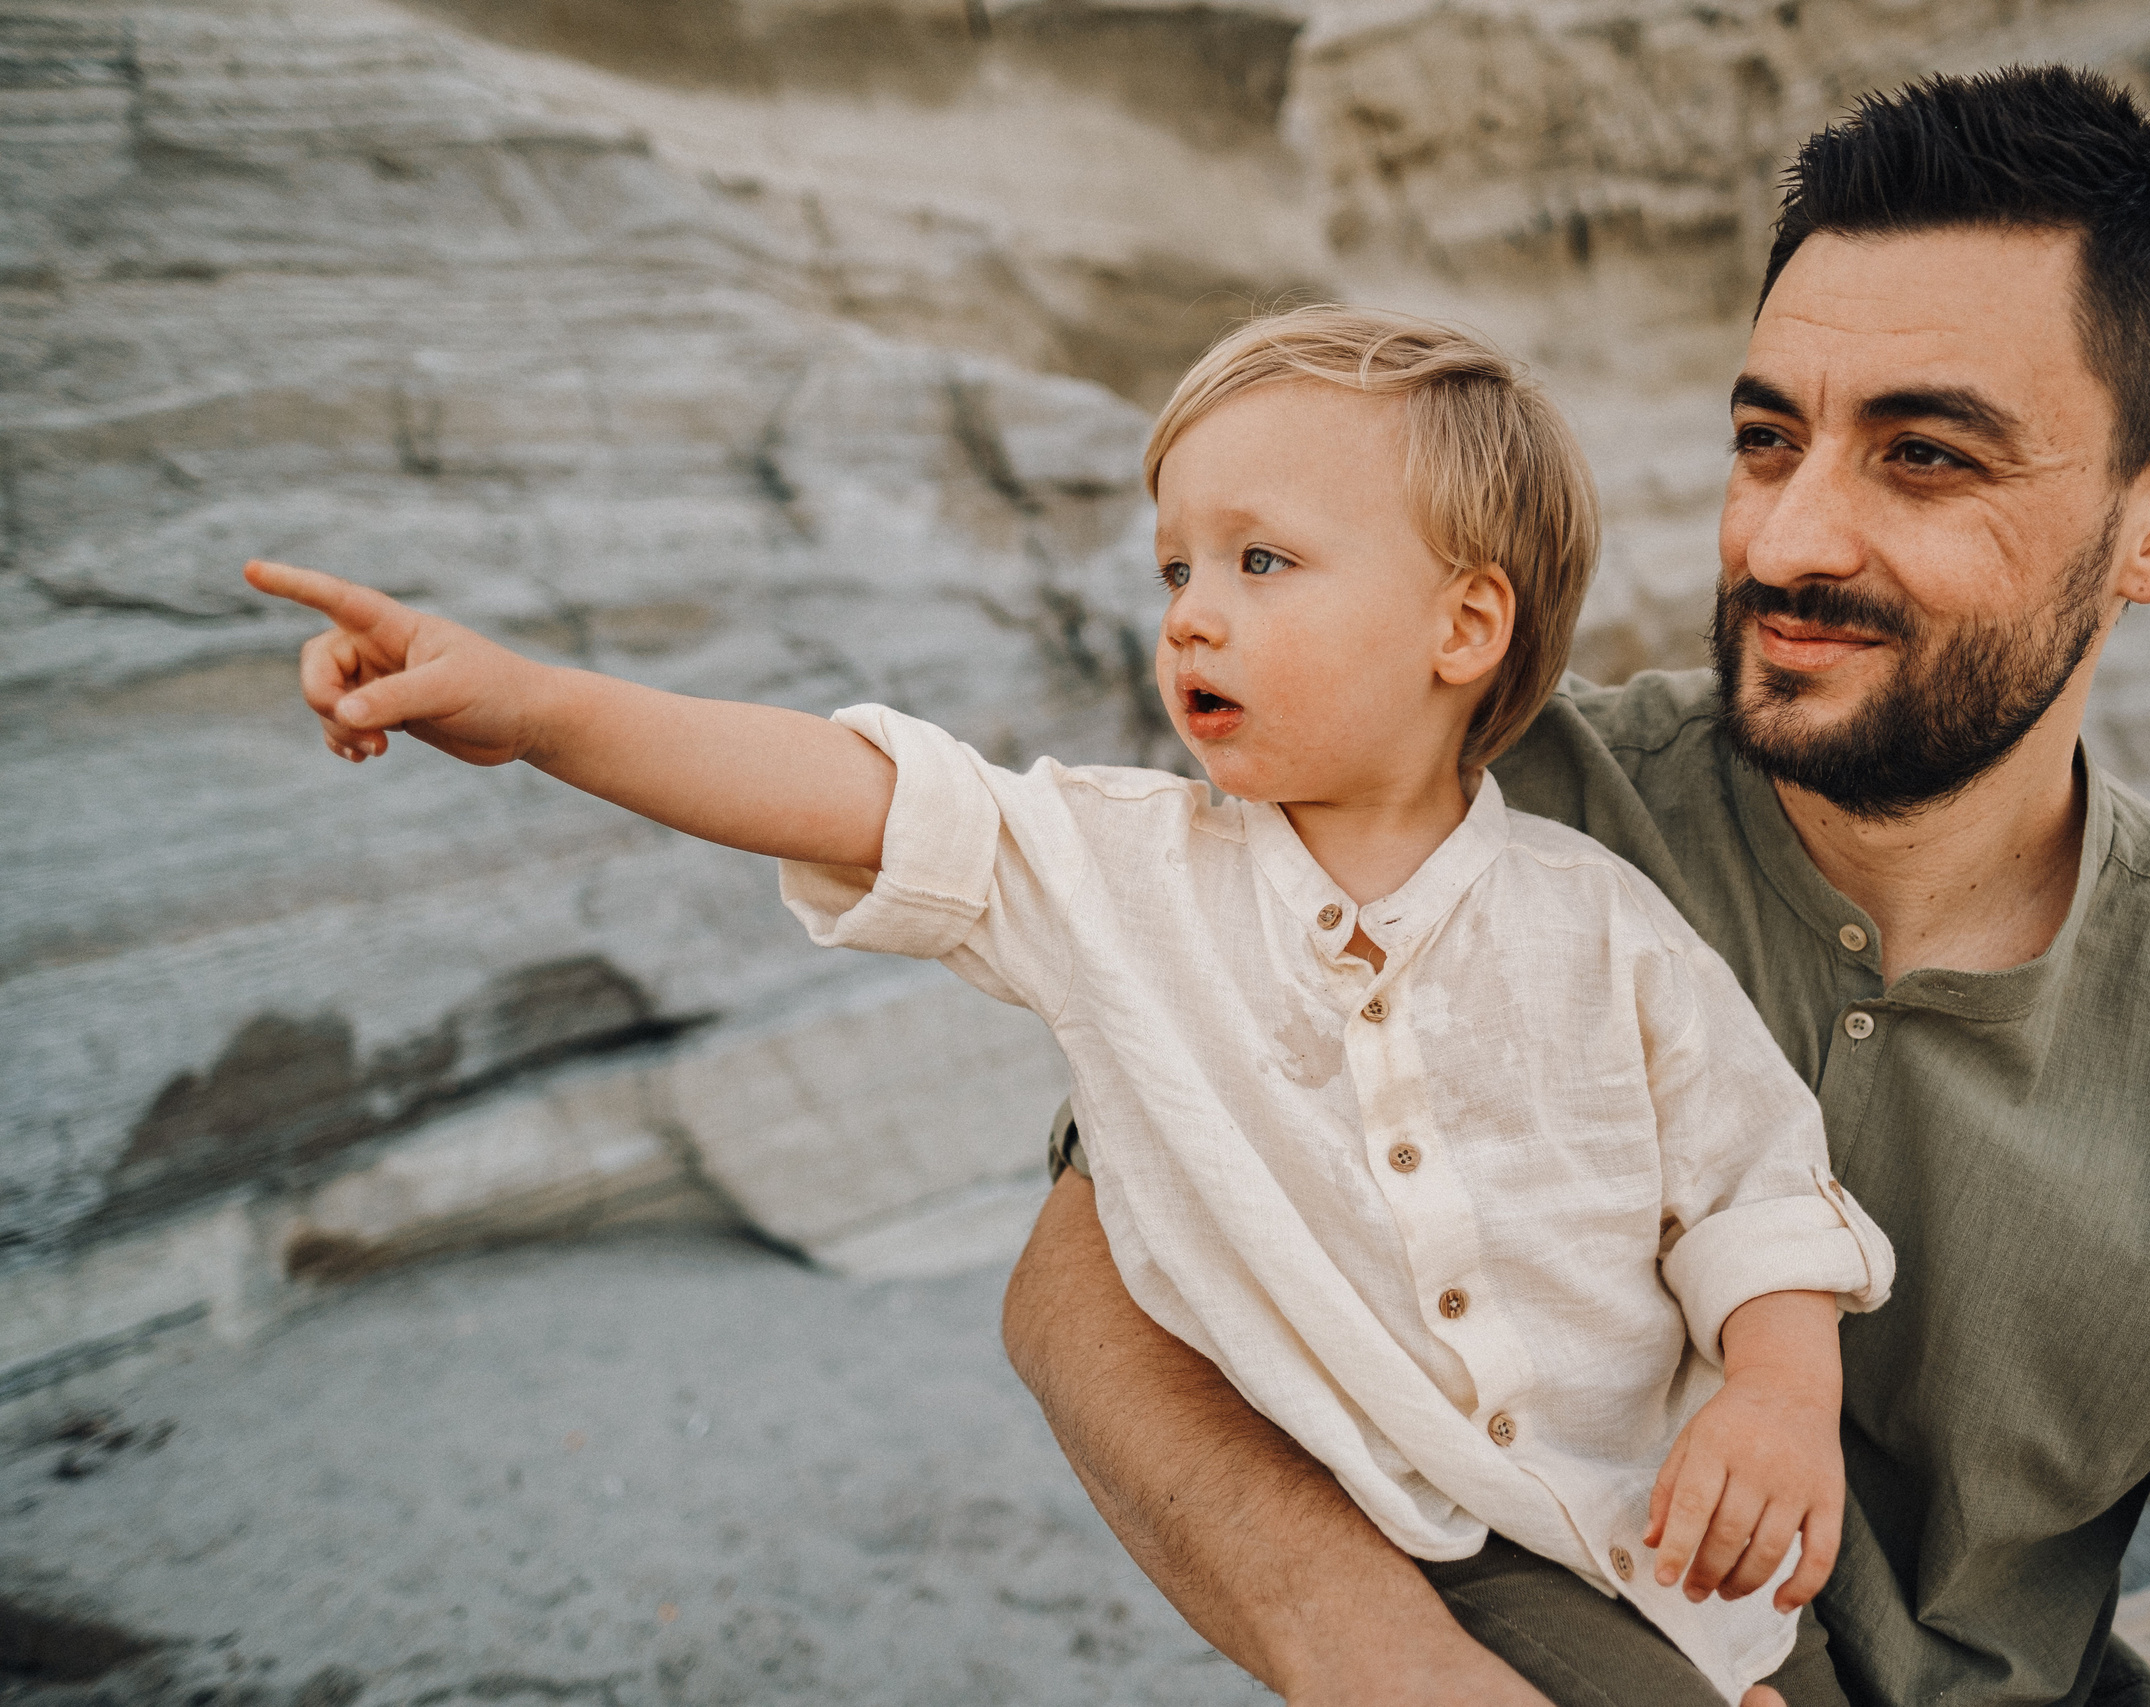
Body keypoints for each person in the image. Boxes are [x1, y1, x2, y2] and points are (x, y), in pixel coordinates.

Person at [1004, 67, 2150, 1707]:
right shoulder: (1472, 799)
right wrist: (1376, 1655)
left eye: (1928, 456)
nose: (1792, 539)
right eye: (1768, 439)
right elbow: (1090, 1258)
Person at [245, 305, 1906, 1707]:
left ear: (1464, 625)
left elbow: (1757, 1193)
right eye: (1177, 560)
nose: (1191, 608)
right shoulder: (1116, 872)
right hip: (1428, 1577)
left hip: (1704, 1567)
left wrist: (1777, 1397)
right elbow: (848, 791)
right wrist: (537, 707)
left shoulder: (1598, 923)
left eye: (1264, 560)